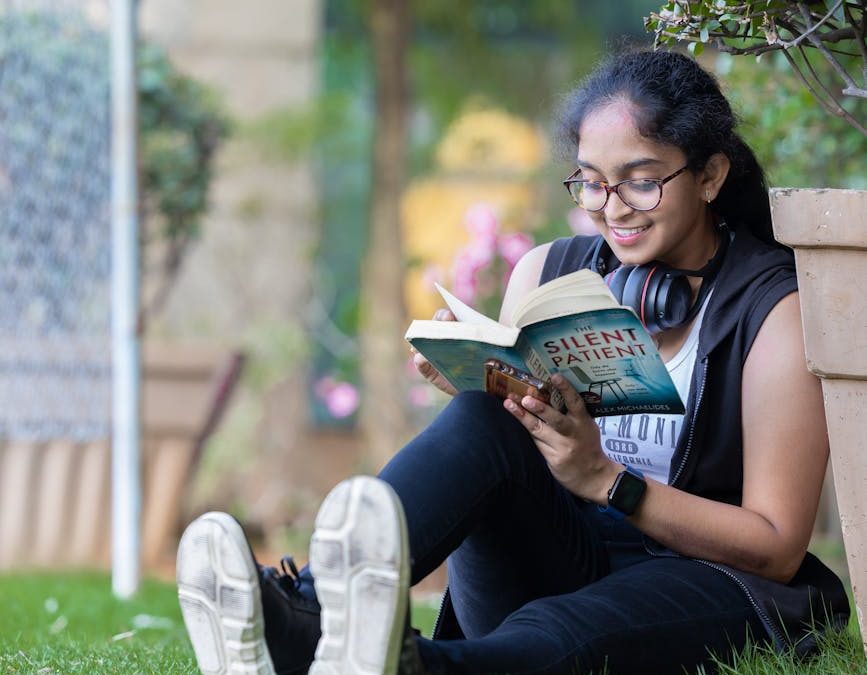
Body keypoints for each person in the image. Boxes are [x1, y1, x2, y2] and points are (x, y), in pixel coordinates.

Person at [176, 49, 850, 675]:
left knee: (561, 627)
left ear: (708, 174)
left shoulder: (772, 309)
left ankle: (376, 658)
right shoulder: (548, 270)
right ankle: (305, 615)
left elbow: (775, 543)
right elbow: (506, 452)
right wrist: (478, 378)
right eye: (589, 184)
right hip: (563, 547)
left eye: (639, 183)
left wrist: (607, 478)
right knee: (479, 414)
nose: (610, 209)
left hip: (706, 578)